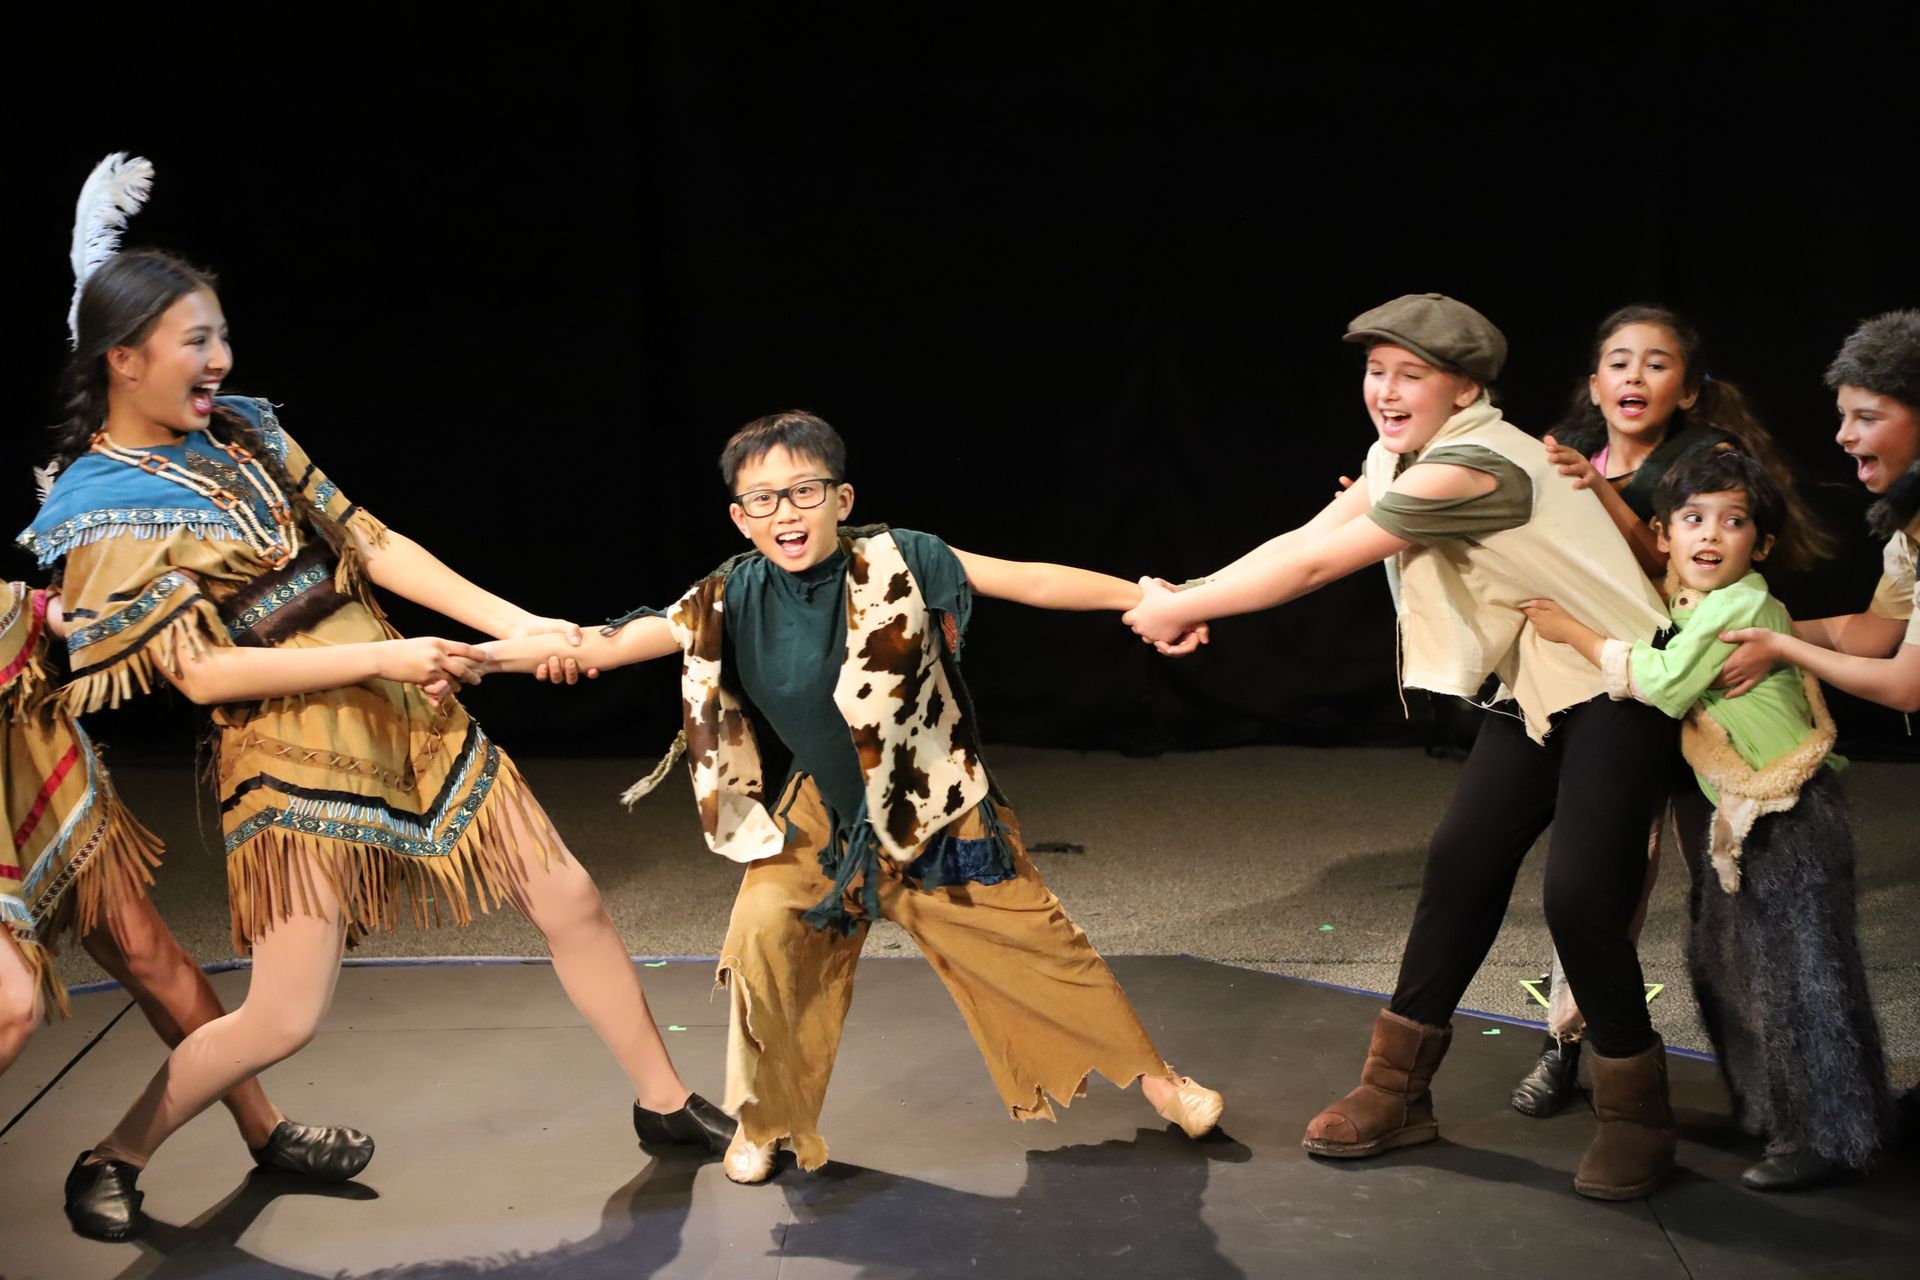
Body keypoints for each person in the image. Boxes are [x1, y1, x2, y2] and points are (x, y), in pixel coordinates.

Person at [24, 154, 726, 1243]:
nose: (222, 357)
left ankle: (663, 1098)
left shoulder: (246, 429)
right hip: (292, 747)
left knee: (569, 895)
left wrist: (517, 627)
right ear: (123, 360)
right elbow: (204, 675)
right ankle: (112, 1153)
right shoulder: (97, 512)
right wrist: (385, 663)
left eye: (220, 333)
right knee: (283, 1016)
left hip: (408, 709)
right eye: (195, 341)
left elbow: (373, 540)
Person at [479, 410, 1224, 1185]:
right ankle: (765, 1122)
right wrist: (473, 661)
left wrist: (1151, 598)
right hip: (823, 820)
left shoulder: (904, 556)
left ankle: (1161, 1082)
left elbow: (1029, 579)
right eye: (762, 500)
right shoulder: (729, 595)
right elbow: (604, 642)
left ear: (842, 498)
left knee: (1035, 946)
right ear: (740, 517)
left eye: (804, 491)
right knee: (764, 942)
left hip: (931, 805)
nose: (786, 513)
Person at [1125, 293, 1683, 1200]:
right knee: (1460, 866)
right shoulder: (1402, 456)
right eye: (1375, 371)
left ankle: (1637, 1116)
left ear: (1466, 387)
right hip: (1538, 685)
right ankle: (1398, 1089)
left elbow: (1313, 569)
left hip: (1622, 686)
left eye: (1409, 374)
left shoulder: (1475, 465)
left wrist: (1179, 609)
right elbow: (1310, 535)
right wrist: (1185, 594)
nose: (1385, 390)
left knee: (1580, 897)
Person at [1521, 447, 1891, 1190]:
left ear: (1763, 544)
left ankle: (1826, 1136)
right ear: (1668, 534)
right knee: (1738, 967)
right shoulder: (1687, 595)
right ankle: (1780, 1114)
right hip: (1747, 812)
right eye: (1693, 519)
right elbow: (1640, 557)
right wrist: (1596, 485)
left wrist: (1573, 633)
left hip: (1788, 811)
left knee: (1800, 979)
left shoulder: (1738, 604)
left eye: (1733, 520)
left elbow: (1657, 682)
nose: (1710, 535)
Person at [1511, 305, 1833, 1118]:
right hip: (1614, 700)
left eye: (1656, 364)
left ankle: (1764, 1082)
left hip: (1687, 697)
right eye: (1618, 362)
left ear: (1688, 390)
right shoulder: (1571, 459)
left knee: (1727, 890)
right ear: (1595, 381)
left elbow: (1673, 567)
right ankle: (1569, 1043)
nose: (1634, 377)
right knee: (1599, 888)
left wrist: (1602, 499)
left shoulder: (1705, 464)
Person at [0, 579, 373, 1183]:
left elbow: (51, 612)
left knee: (149, 954)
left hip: (27, 755)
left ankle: (264, 1128)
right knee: (11, 1007)